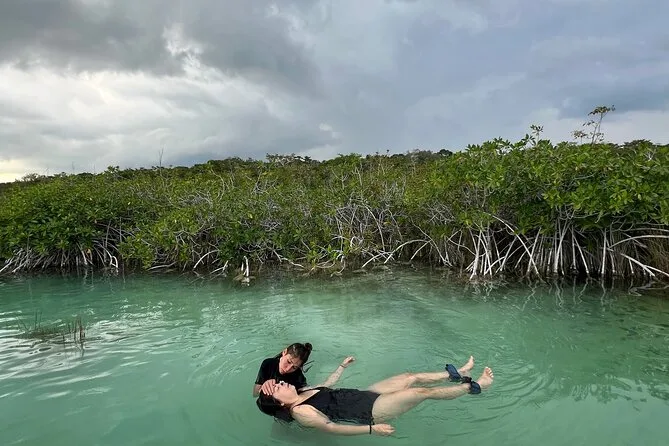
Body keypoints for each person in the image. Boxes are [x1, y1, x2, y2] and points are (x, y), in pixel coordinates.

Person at [256, 355, 494, 437]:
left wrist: (341, 367)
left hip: (365, 395)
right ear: (280, 402)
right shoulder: (300, 411)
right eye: (278, 387)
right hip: (370, 411)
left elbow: (328, 384)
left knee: (409, 377)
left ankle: (458, 373)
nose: (283, 383)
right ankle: (475, 387)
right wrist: (371, 429)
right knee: (420, 392)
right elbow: (331, 427)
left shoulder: (302, 391)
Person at [253, 342, 355, 398]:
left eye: (294, 367)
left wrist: (342, 366)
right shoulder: (268, 364)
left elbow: (324, 386)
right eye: (288, 361)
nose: (288, 369)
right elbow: (255, 394)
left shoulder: (297, 377)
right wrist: (265, 385)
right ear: (284, 352)